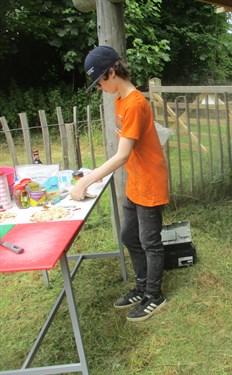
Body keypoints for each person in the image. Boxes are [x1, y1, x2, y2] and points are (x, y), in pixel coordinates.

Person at [71, 45, 169, 322]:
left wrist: (88, 179)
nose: (100, 87)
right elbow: (127, 148)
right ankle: (141, 287)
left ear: (112, 73)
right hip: (136, 181)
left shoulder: (136, 103)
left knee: (150, 241)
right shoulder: (119, 101)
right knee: (129, 236)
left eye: (100, 81)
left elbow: (122, 154)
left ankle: (154, 294)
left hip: (150, 182)